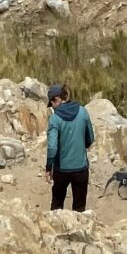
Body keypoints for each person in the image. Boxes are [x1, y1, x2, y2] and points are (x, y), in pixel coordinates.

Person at [44, 82, 95, 211]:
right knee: (79, 208)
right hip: (81, 168)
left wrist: (49, 166)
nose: (52, 108)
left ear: (57, 100)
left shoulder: (55, 119)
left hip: (62, 170)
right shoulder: (83, 112)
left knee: (57, 205)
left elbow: (52, 148)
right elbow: (90, 138)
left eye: (52, 104)